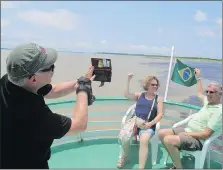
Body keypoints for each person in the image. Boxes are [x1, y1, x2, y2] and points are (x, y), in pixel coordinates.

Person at [1, 43, 96, 169]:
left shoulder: (10, 80)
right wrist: (84, 89)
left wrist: (80, 81)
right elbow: (79, 125)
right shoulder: (33, 115)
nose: (53, 69)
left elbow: (52, 90)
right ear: (33, 79)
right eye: (50, 67)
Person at [158, 68, 222, 169]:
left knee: (168, 140)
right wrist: (199, 78)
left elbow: (205, 134)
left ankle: (179, 167)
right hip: (189, 131)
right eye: (208, 91)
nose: (208, 94)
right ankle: (176, 161)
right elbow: (200, 94)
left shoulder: (218, 112)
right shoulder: (208, 102)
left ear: (219, 94)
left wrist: (187, 134)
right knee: (161, 133)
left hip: (198, 140)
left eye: (212, 92)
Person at [117, 73, 163, 169]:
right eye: (152, 84)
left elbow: (160, 115)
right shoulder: (140, 95)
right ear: (147, 85)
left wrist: (150, 124)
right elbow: (126, 94)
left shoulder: (158, 99)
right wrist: (128, 80)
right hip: (134, 122)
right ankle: (124, 157)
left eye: (156, 85)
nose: (155, 86)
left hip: (147, 124)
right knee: (124, 137)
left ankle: (141, 168)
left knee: (144, 140)